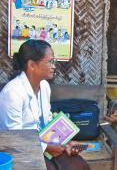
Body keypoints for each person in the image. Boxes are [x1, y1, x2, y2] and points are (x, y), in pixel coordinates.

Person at [0, 39, 90, 170]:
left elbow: (47, 123)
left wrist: (65, 144)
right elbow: (15, 138)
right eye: (50, 62)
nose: (54, 66)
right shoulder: (12, 93)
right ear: (32, 65)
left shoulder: (44, 86)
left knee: (78, 165)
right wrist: (47, 147)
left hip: (44, 145)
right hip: (19, 151)